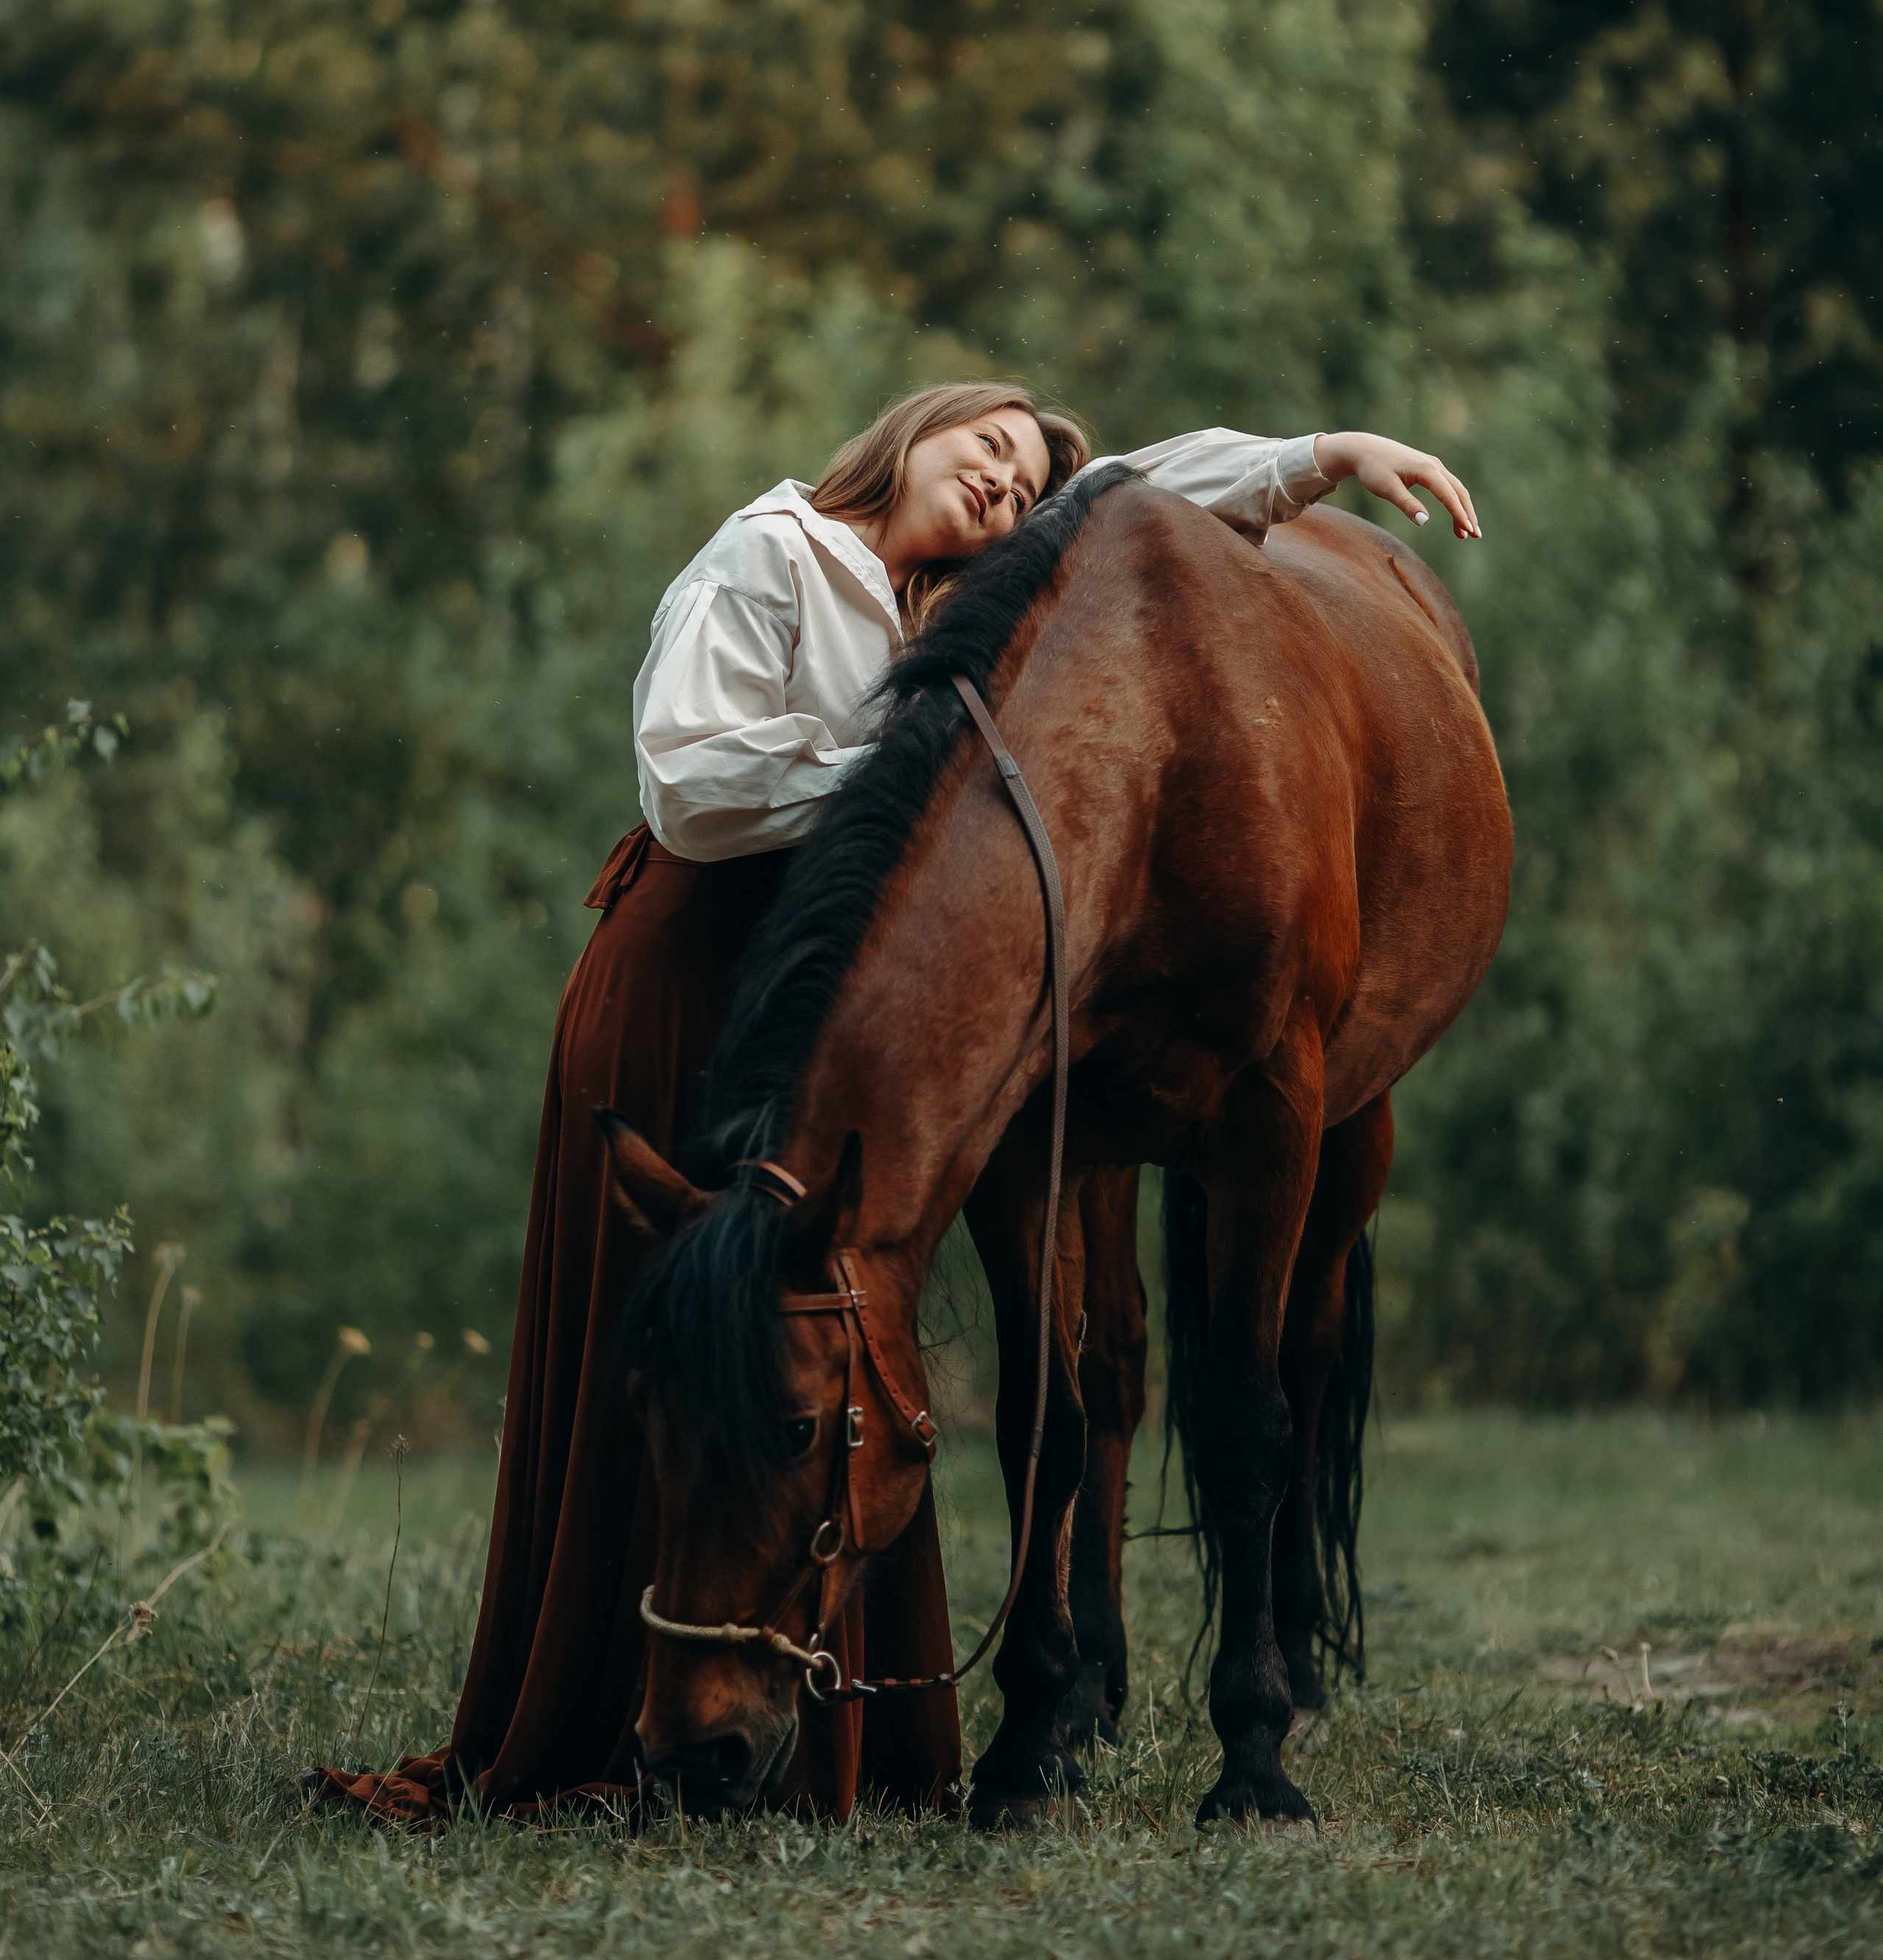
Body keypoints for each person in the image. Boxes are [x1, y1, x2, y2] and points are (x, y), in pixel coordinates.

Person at [315, 387, 1476, 1822]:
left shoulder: (959, 613)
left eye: (1022, 474)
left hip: (820, 1011)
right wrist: (950, 780)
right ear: (904, 436)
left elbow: (1126, 487)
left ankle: (818, 1728)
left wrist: (1321, 458)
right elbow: (687, 785)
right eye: (981, 442)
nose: (1003, 475)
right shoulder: (772, 549)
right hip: (685, 981)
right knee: (702, 1391)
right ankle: (616, 1707)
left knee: (787, 1364)